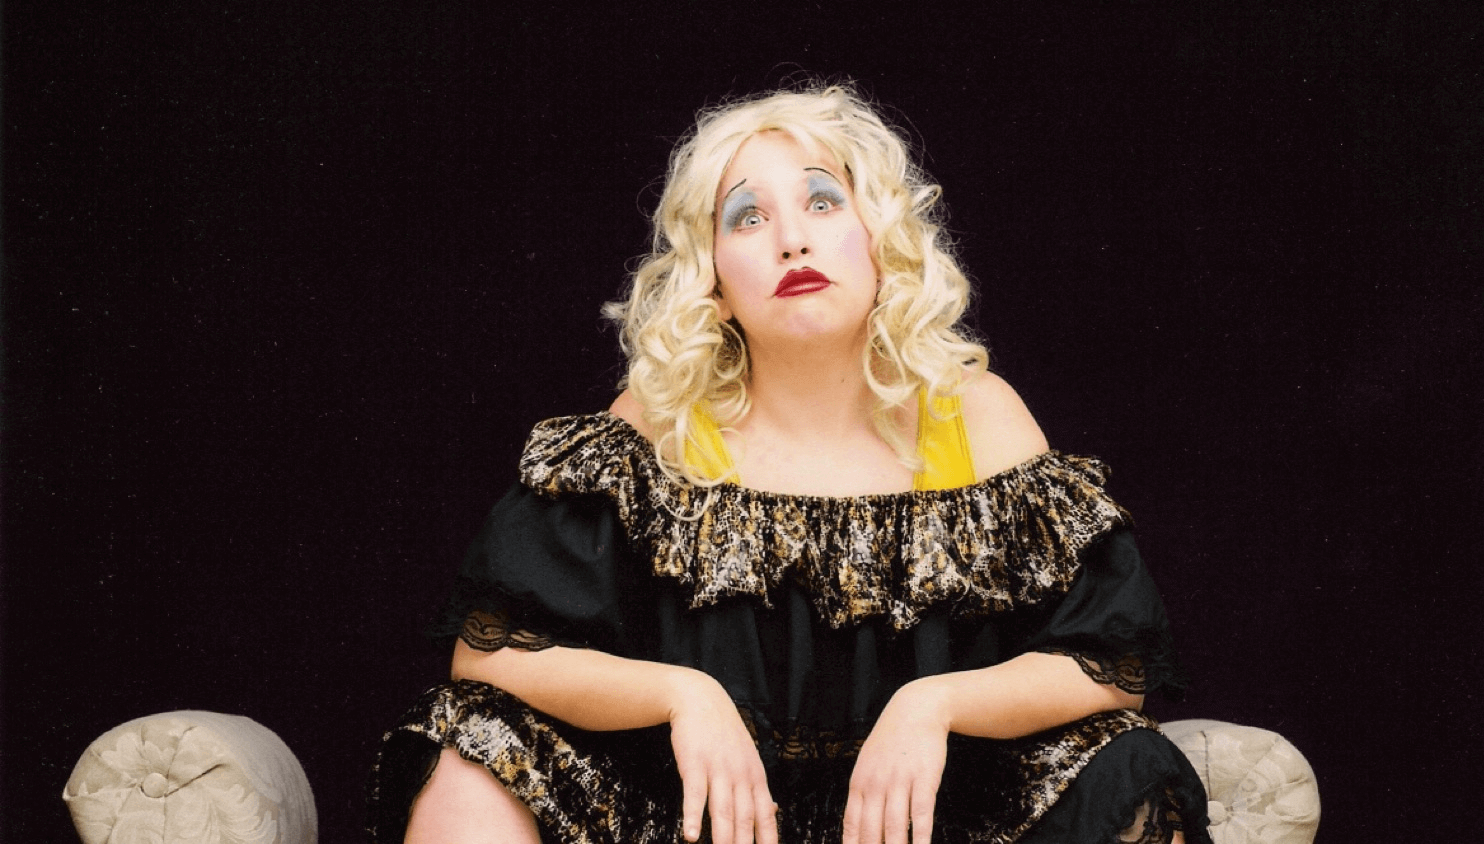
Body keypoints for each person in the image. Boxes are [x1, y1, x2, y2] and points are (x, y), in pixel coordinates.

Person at [369, 83, 1211, 844]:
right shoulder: (659, 424)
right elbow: (491, 653)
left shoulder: (974, 414)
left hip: (928, 822)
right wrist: (682, 696)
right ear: (712, 280)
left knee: (1127, 764)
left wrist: (934, 704)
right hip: (705, 823)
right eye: (747, 217)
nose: (792, 240)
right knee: (471, 737)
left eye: (822, 200)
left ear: (880, 239)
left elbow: (1113, 664)